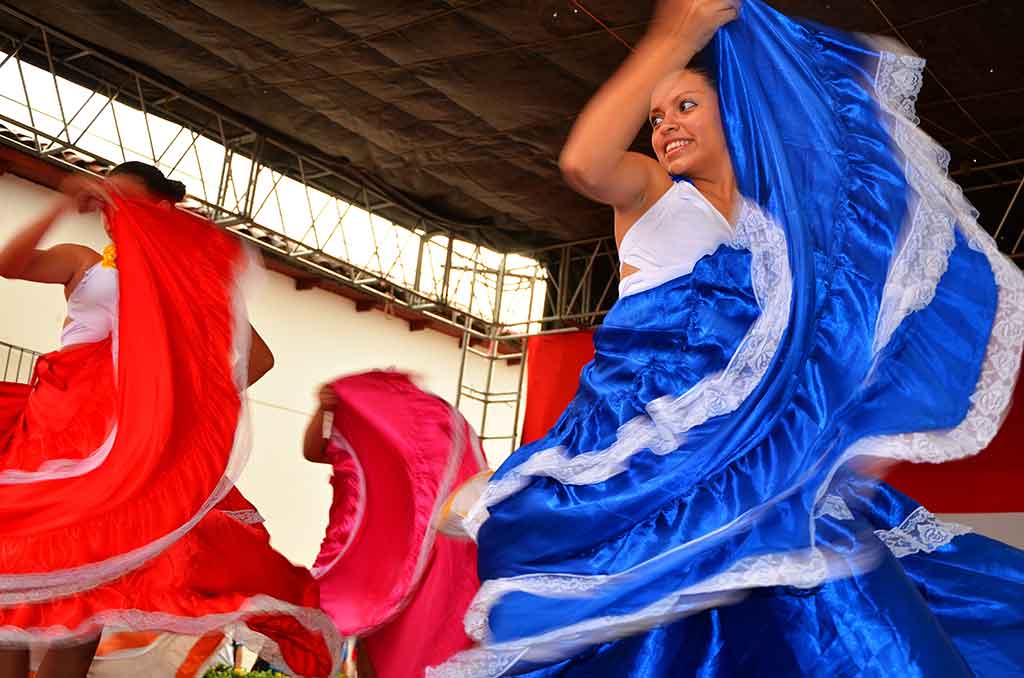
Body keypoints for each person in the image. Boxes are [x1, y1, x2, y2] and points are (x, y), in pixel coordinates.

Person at [430, 1, 1024, 676]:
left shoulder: (777, 231)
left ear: (733, 111)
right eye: (656, 118)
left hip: (754, 463)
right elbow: (584, 163)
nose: (665, 127)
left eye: (685, 106)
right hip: (653, 455)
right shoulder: (653, 195)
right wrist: (674, 38)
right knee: (634, 619)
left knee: (832, 620)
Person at [0, 162, 341, 678]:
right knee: (16, 561)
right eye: (111, 202)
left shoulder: (187, 284)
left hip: (123, 446)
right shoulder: (86, 262)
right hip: (51, 429)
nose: (116, 214)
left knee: (93, 580)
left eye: (130, 202)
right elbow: (11, 263)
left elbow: (259, 358)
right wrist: (61, 203)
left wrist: (183, 411)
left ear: (163, 210)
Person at [304, 371, 486, 677]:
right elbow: (313, 451)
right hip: (381, 569)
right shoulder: (375, 459)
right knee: (378, 643)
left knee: (415, 645)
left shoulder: (434, 472)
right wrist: (325, 411)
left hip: (428, 571)